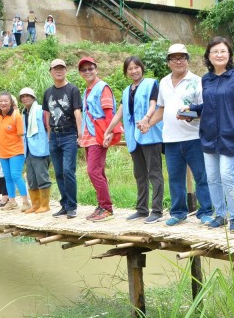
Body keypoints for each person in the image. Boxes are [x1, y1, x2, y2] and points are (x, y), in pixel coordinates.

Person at [186, 37, 234, 231]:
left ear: (229, 55)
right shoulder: (206, 79)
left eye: (223, 51)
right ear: (208, 55)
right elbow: (207, 107)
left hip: (230, 135)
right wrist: (189, 111)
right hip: (209, 134)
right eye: (215, 51)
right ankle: (221, 214)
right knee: (213, 178)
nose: (219, 54)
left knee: (227, 175)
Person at [148, 44, 213, 226]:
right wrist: (148, 123)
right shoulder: (163, 82)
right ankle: (178, 212)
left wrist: (189, 114)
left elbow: (205, 109)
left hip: (194, 138)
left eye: (182, 57)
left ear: (187, 60)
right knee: (175, 178)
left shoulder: (197, 81)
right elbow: (162, 108)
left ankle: (206, 211)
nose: (179, 61)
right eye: (174, 58)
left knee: (202, 177)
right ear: (168, 62)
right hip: (170, 140)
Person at [104, 56, 164, 223]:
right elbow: (119, 113)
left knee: (154, 173)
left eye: (136, 67)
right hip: (133, 137)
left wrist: (146, 118)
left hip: (149, 135)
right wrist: (108, 131)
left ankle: (157, 211)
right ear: (126, 72)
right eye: (130, 69)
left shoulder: (151, 84)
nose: (133, 71)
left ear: (141, 68)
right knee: (139, 174)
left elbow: (153, 104)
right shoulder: (126, 91)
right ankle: (142, 209)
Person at [77, 56, 119, 221]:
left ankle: (106, 208)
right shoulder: (87, 90)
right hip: (89, 135)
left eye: (90, 68)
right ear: (80, 73)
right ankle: (102, 205)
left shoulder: (102, 87)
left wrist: (109, 132)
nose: (88, 72)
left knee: (93, 171)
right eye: (84, 69)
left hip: (99, 134)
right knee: (97, 171)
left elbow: (108, 112)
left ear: (96, 69)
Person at [43, 58, 82, 219]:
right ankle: (65, 205)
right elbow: (47, 113)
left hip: (69, 134)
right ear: (51, 72)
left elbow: (77, 112)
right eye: (55, 68)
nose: (58, 71)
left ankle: (72, 206)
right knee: (58, 172)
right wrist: (48, 133)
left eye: (61, 68)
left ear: (66, 70)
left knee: (68, 170)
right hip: (54, 136)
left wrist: (80, 133)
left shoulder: (72, 89)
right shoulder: (48, 92)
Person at [0, 91, 31, 210]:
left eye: (6, 101)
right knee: (8, 177)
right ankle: (12, 201)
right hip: (3, 152)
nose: (3, 103)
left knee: (16, 175)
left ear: (11, 103)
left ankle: (26, 202)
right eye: (1, 101)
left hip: (16, 151)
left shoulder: (16, 116)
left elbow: (21, 134)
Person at [19, 87, 52, 214]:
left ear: (33, 97)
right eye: (23, 96)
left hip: (40, 147)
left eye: (28, 96)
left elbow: (48, 126)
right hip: (28, 149)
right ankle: (35, 204)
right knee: (31, 178)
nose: (25, 98)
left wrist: (49, 142)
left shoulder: (40, 110)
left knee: (42, 176)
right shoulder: (24, 112)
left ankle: (45, 205)